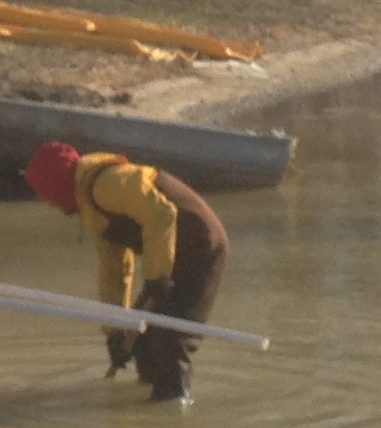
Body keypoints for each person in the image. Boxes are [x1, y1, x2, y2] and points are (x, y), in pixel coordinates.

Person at [24, 140, 231, 404]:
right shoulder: (92, 203)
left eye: (44, 194)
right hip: (169, 260)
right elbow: (116, 269)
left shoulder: (108, 185)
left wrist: (157, 276)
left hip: (203, 248)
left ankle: (171, 409)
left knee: (170, 341)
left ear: (56, 185)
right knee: (141, 341)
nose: (46, 203)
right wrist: (116, 331)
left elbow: (161, 214)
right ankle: (149, 399)